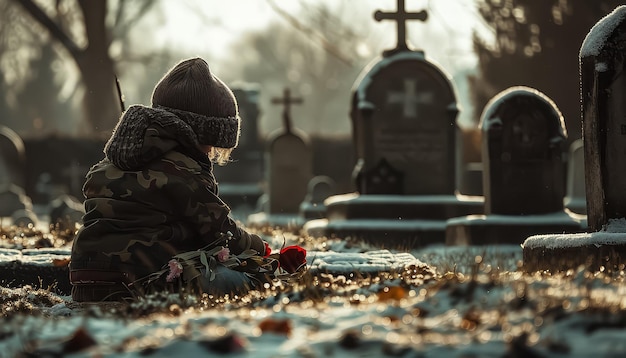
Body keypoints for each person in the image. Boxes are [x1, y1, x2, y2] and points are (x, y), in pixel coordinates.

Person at [69, 57, 270, 302]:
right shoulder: (183, 170)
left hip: (85, 278)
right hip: (144, 281)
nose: (211, 153)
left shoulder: (105, 165)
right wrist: (262, 249)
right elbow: (222, 233)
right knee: (241, 281)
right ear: (198, 135)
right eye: (211, 146)